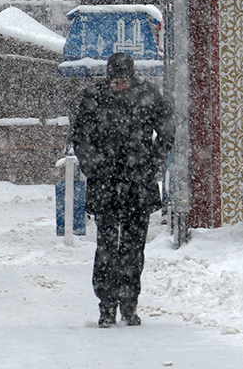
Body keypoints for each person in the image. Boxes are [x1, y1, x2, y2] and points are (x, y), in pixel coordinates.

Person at [71, 52, 174, 327]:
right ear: (108, 77)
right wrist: (93, 166)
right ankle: (106, 306)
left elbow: (167, 129)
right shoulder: (93, 97)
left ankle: (129, 304)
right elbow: (80, 136)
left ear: (132, 77)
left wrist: (154, 162)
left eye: (124, 80)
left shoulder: (148, 95)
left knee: (133, 248)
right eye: (115, 80)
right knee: (106, 247)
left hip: (138, 184)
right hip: (105, 184)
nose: (119, 85)